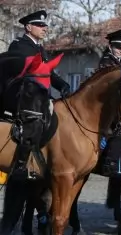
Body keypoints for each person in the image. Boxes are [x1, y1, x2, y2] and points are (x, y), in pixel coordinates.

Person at [7, 10, 70, 179]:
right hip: (23, 95)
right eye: (40, 25)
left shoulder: (40, 49)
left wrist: (62, 84)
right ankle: (21, 165)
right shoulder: (19, 45)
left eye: (45, 25)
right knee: (34, 121)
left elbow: (49, 73)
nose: (45, 28)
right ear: (28, 27)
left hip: (41, 95)